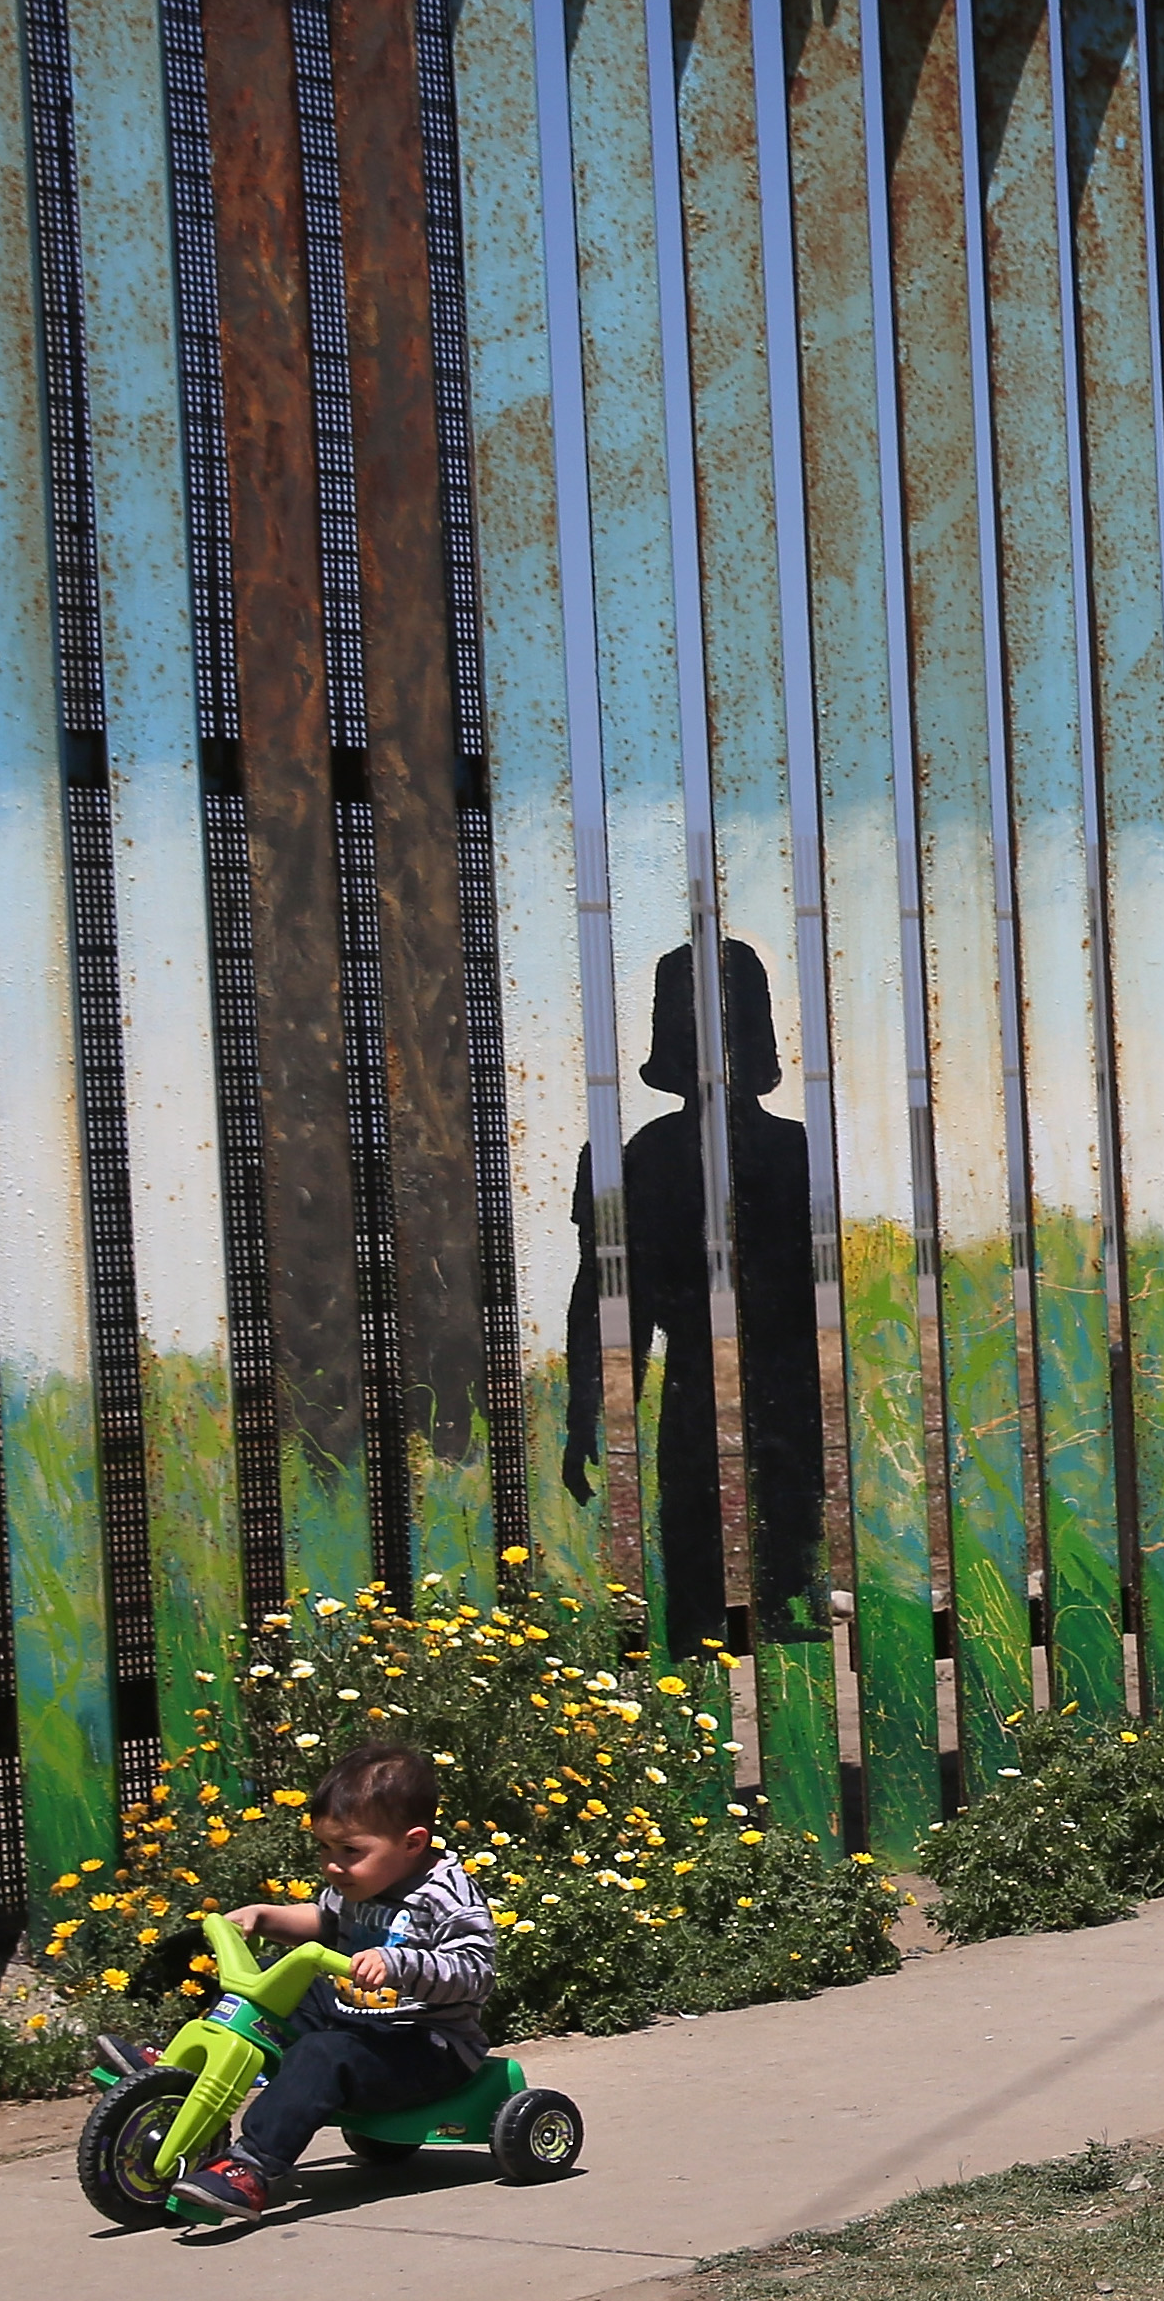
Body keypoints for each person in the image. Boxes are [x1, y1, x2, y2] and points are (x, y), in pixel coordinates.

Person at [563, 939, 828, 1658]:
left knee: (750, 1521)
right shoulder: (789, 1152)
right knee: (714, 1519)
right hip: (749, 1381)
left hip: (764, 1379)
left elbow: (607, 1302)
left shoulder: (652, 1156)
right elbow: (609, 1300)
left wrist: (587, 1410)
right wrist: (587, 1410)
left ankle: (732, 1628)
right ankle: (729, 1627)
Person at [163, 1740, 503, 2232]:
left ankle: (252, 2166)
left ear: (412, 1843)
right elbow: (322, 1919)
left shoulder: (446, 1894)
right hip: (358, 2014)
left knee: (322, 2054)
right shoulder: (359, 1881)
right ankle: (182, 2071)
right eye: (325, 1847)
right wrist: (265, 1916)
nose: (332, 1864)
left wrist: (400, 1962)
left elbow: (475, 1971)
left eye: (349, 1851)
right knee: (275, 1987)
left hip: (425, 2043)